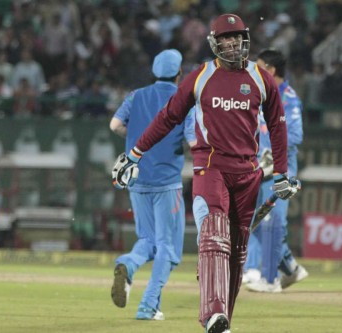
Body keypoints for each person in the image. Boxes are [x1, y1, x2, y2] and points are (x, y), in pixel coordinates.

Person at [112, 14, 299, 333]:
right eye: (225, 38)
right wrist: (135, 153)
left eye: (236, 37)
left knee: (238, 253)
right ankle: (212, 313)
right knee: (214, 235)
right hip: (210, 168)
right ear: (214, 42)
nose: (232, 43)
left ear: (245, 39)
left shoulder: (260, 78)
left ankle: (222, 319)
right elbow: (167, 118)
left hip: (249, 174)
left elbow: (279, 129)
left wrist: (280, 173)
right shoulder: (200, 76)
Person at [109, 49, 196, 321]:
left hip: (137, 180)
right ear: (179, 73)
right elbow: (195, 141)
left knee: (148, 240)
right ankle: (148, 305)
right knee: (168, 248)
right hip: (167, 183)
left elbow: (114, 125)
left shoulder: (136, 96)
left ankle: (128, 263)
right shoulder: (183, 100)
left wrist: (135, 138)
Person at [242, 49, 308, 293]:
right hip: (261, 168)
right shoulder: (260, 96)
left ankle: (269, 280)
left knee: (272, 221)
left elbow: (296, 135)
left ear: (270, 70)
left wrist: (272, 153)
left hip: (280, 169)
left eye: (259, 68)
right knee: (255, 222)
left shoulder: (288, 98)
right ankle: (289, 267)